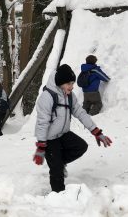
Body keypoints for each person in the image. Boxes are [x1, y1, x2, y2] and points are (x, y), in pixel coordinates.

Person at [33, 64, 112, 193]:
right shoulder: (47, 98)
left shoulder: (69, 96)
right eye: (69, 83)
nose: (72, 86)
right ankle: (59, 195)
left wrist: (96, 132)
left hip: (63, 134)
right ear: (60, 83)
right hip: (49, 139)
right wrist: (41, 146)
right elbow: (42, 123)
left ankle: (58, 163)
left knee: (81, 146)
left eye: (72, 83)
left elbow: (81, 113)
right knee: (57, 172)